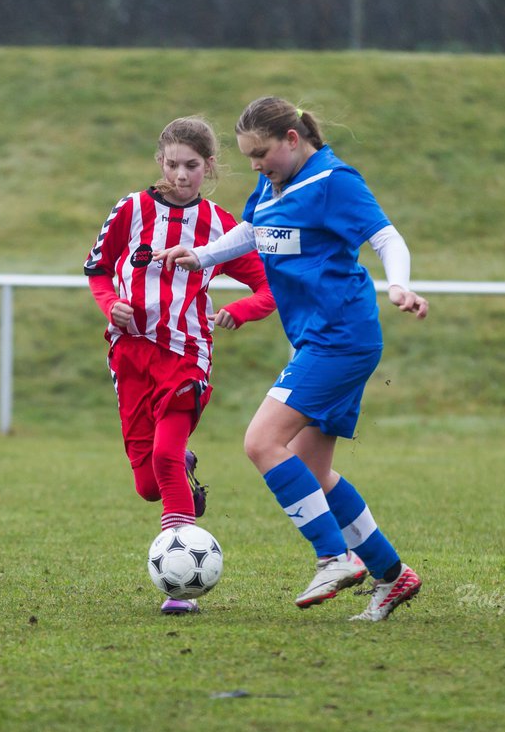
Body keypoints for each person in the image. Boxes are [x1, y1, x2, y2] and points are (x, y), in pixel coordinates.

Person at [155, 96, 429, 622]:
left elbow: (386, 236)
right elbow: (254, 229)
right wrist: (205, 255)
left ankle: (334, 557)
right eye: (249, 157)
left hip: (340, 337)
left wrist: (399, 286)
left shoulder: (334, 181)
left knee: (261, 441)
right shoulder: (275, 183)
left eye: (262, 154)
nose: (255, 165)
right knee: (312, 469)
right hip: (318, 338)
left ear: (292, 139)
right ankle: (393, 575)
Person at [84, 116, 275, 616]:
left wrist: (238, 311)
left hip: (187, 352)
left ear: (209, 166)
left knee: (165, 454)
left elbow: (268, 287)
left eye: (192, 165)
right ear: (159, 162)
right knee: (148, 485)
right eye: (172, 164)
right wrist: (111, 307)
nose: (181, 175)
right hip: (131, 355)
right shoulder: (131, 209)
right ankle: (182, 473)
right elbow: (98, 270)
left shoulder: (221, 225)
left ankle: (179, 591)